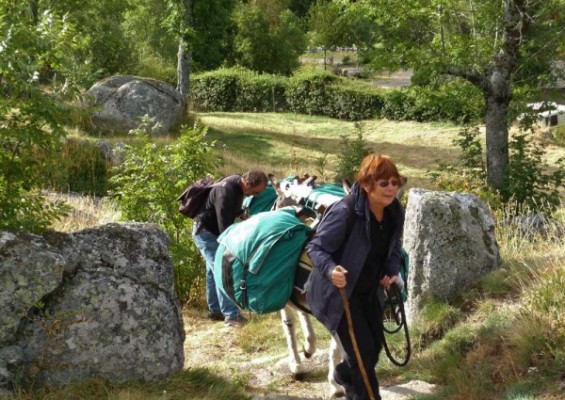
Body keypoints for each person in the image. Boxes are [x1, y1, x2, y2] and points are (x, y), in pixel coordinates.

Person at [306, 154, 406, 400]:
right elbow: (315, 248)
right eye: (384, 183)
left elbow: (393, 247)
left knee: (372, 351)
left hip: (369, 292)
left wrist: (391, 272)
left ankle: (343, 375)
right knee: (361, 359)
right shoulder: (345, 211)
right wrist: (331, 270)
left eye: (395, 182)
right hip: (339, 296)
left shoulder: (394, 212)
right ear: (366, 184)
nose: (391, 188)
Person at [192, 170, 268, 327]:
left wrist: (241, 213)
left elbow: (230, 208)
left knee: (212, 273)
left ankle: (215, 311)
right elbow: (224, 229)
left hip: (209, 231)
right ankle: (231, 316)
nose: (255, 196)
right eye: (255, 192)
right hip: (207, 234)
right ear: (247, 183)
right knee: (222, 271)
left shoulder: (236, 183)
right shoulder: (226, 192)